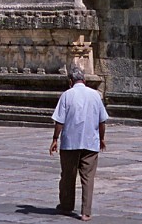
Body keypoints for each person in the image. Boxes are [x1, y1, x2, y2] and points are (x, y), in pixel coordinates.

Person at [49, 67, 108, 221]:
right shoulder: (95, 95)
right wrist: (102, 138)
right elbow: (102, 121)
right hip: (91, 142)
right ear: (85, 80)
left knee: (68, 176)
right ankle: (86, 212)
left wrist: (55, 139)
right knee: (88, 178)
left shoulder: (67, 95)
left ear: (70, 81)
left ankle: (66, 206)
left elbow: (59, 121)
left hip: (70, 143)